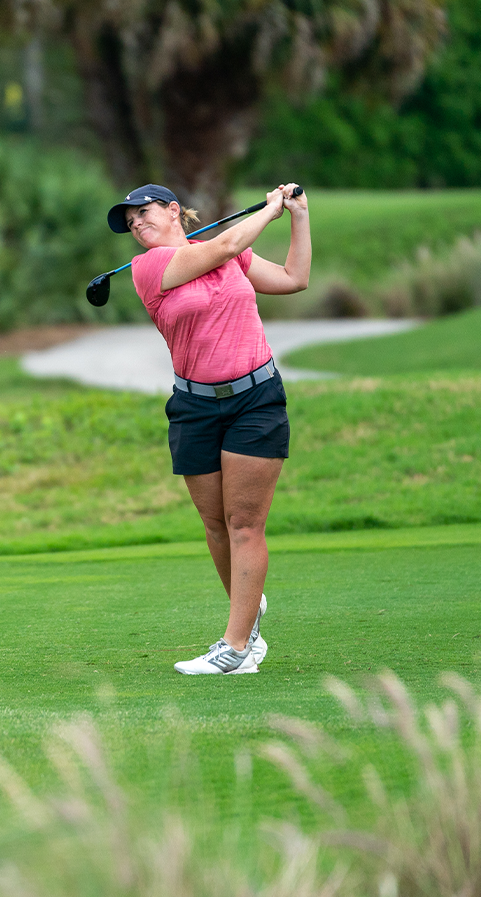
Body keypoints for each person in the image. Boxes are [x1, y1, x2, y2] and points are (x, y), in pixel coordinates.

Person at [107, 182, 310, 674]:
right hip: (194, 407)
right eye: (129, 221)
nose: (135, 223)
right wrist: (268, 210)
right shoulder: (147, 268)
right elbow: (227, 244)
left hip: (255, 400)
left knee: (244, 524)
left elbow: (292, 278)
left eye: (143, 212)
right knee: (216, 525)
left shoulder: (227, 253)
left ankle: (238, 647)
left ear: (173, 210)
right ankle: (249, 604)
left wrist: (298, 216)